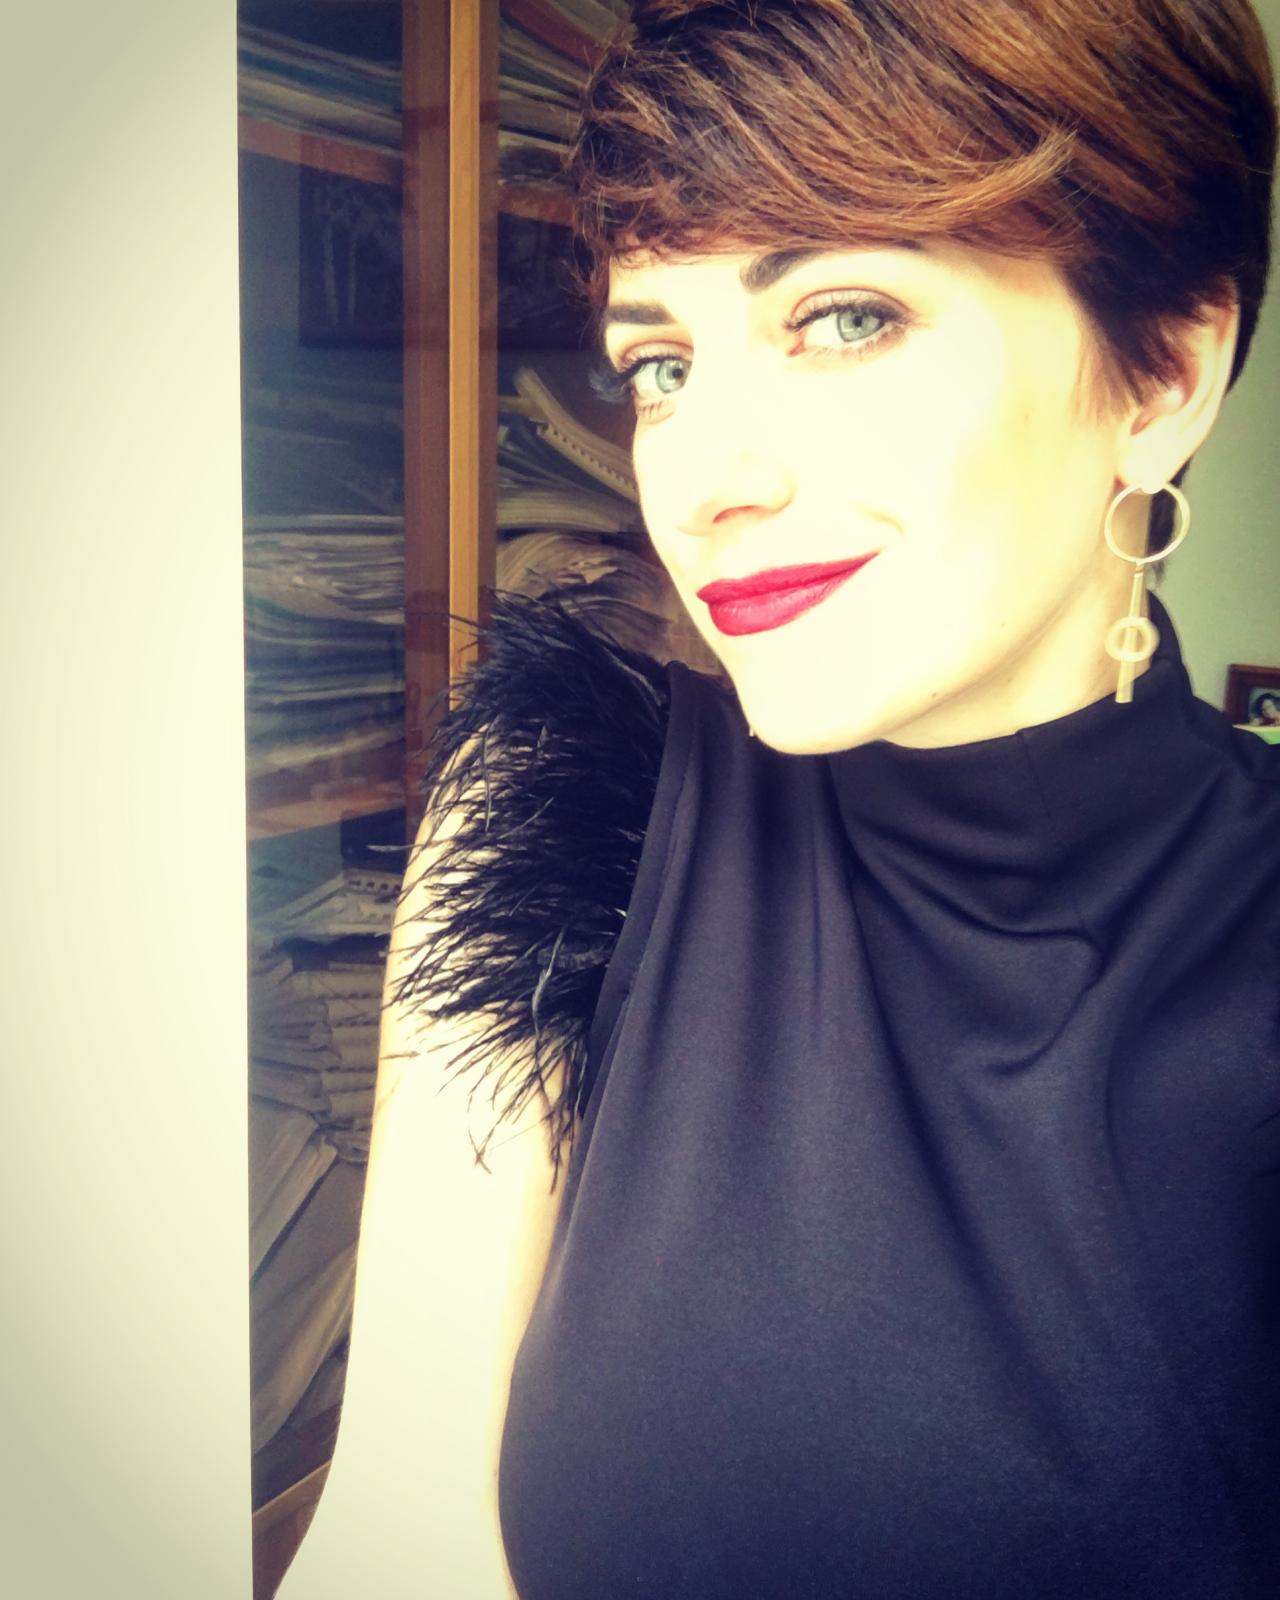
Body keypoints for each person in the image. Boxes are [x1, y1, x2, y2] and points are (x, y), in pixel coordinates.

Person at [277, 3, 1280, 1596]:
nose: (705, 481)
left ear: (1162, 370)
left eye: (845, 317)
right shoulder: (562, 794)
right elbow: (400, 1552)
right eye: (663, 365)